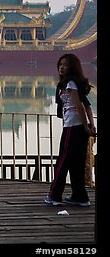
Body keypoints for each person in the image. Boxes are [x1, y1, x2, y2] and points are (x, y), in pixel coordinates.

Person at [45, 53, 96, 207]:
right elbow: (87, 105)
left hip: (73, 127)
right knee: (77, 163)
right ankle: (80, 196)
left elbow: (80, 107)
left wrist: (86, 126)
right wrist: (90, 124)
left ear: (72, 67)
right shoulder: (74, 83)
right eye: (60, 64)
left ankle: (54, 195)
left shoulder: (70, 84)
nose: (61, 67)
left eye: (65, 65)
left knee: (63, 161)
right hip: (79, 126)